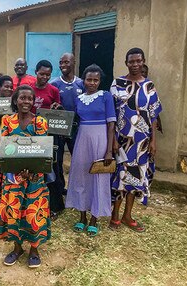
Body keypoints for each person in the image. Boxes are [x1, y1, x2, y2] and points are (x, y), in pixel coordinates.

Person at [0, 85, 50, 268]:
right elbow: (5, 148)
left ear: (33, 102)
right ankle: (17, 248)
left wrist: (32, 171)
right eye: (22, 98)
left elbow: (43, 150)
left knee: (33, 212)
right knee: (14, 210)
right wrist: (17, 172)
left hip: (35, 176)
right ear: (15, 100)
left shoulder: (40, 122)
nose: (26, 102)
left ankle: (34, 249)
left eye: (29, 99)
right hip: (13, 176)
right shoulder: (7, 121)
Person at [110, 48, 162, 232]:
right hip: (122, 140)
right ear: (126, 63)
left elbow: (153, 116)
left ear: (143, 62)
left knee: (137, 176)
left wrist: (153, 141)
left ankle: (127, 215)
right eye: (131, 61)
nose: (135, 64)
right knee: (121, 176)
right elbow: (112, 114)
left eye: (138, 61)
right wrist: (113, 140)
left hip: (142, 141)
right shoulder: (117, 84)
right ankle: (115, 215)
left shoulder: (149, 86)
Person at [65, 64, 116, 237]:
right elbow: (72, 119)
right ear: (84, 80)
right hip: (82, 139)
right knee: (81, 176)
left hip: (100, 139)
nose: (92, 83)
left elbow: (111, 125)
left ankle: (94, 218)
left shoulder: (106, 96)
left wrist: (109, 151)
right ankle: (82, 216)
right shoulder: (79, 98)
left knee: (98, 176)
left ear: (100, 81)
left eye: (96, 80)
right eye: (89, 79)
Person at [30, 60, 64, 220]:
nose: (45, 77)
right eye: (42, 73)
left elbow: (59, 112)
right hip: (31, 133)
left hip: (49, 134)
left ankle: (54, 206)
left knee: (51, 169)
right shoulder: (29, 90)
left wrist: (57, 109)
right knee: (34, 168)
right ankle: (33, 203)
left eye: (48, 74)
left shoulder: (54, 90)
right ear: (36, 72)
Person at [51, 53, 84, 197]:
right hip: (59, 128)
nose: (63, 65)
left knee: (77, 159)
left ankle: (76, 188)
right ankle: (60, 188)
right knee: (58, 160)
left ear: (73, 62)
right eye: (61, 62)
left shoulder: (81, 83)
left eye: (66, 62)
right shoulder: (54, 84)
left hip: (77, 128)